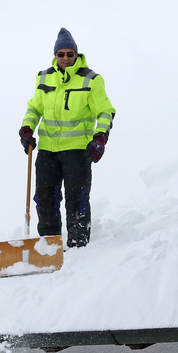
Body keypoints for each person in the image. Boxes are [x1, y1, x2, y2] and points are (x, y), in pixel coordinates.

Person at [18, 28, 116, 247]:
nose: (64, 58)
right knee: (45, 199)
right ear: (55, 55)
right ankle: (49, 247)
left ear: (76, 55)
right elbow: (34, 107)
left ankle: (78, 245)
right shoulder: (44, 77)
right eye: (60, 54)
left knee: (76, 199)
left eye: (69, 54)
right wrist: (26, 129)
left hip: (78, 151)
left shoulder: (91, 80)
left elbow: (105, 112)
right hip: (47, 150)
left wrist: (100, 138)